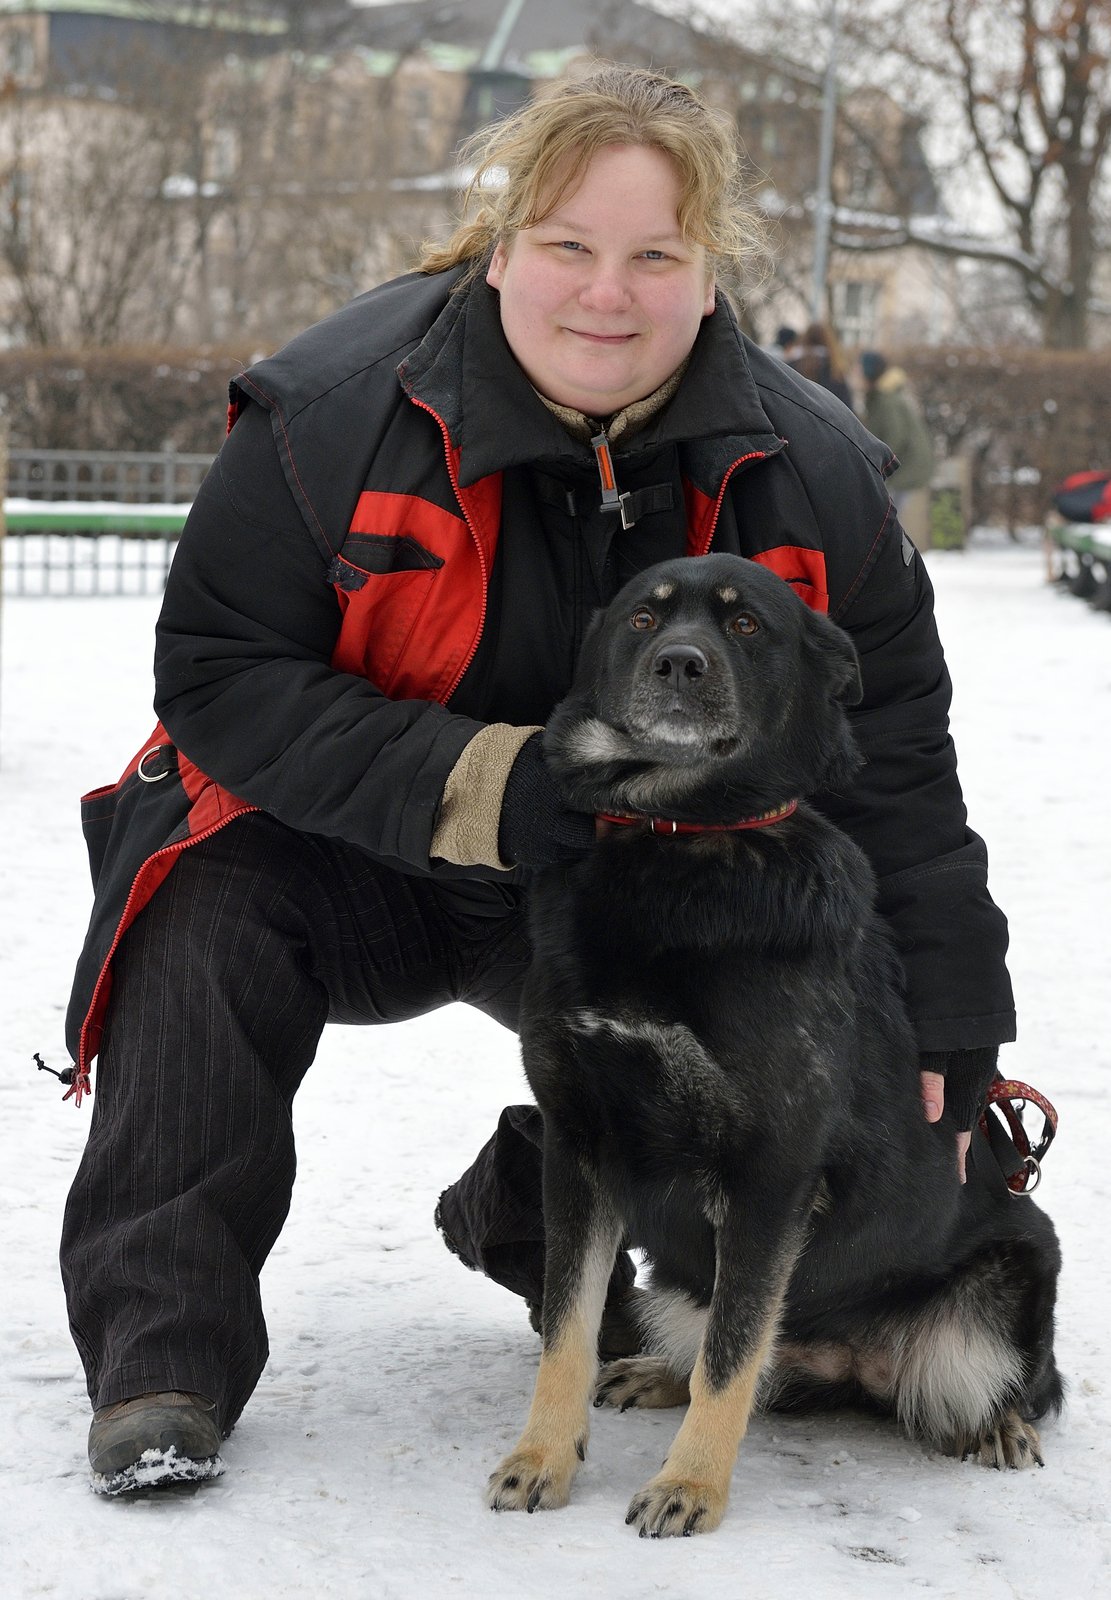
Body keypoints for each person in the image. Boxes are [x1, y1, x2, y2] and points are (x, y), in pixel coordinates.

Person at [58, 65, 1015, 1495]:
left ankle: (545, 1225)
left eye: (654, 256)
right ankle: (165, 1360)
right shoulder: (325, 417)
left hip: (641, 871)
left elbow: (895, 772)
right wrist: (489, 783)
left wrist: (949, 1023)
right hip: (342, 848)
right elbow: (217, 676)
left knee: (805, 1030)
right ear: (500, 248)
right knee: (197, 914)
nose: (604, 295)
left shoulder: (810, 469)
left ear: (710, 277)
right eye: (567, 246)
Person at [859, 349, 934, 509]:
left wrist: (873, 464)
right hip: (904, 469)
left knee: (888, 521)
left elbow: (894, 438)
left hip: (905, 471)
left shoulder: (886, 400)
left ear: (868, 372)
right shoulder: (881, 397)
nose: (854, 372)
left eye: (858, 368)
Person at [786, 320, 855, 410]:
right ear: (829, 341)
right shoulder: (836, 372)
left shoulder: (790, 368)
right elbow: (847, 409)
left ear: (805, 339)